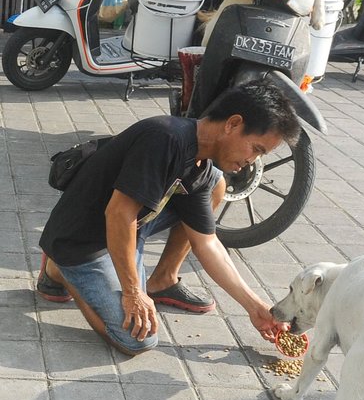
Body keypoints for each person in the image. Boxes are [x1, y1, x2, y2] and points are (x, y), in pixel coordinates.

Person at [37, 83, 298, 356]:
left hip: (127, 228)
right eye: (255, 148)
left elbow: (207, 243)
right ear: (232, 124)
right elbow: (118, 214)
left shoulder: (200, 164)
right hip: (82, 240)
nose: (252, 161)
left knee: (216, 185)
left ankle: (162, 279)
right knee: (136, 339)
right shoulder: (165, 139)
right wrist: (133, 292)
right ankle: (59, 269)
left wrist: (255, 307)